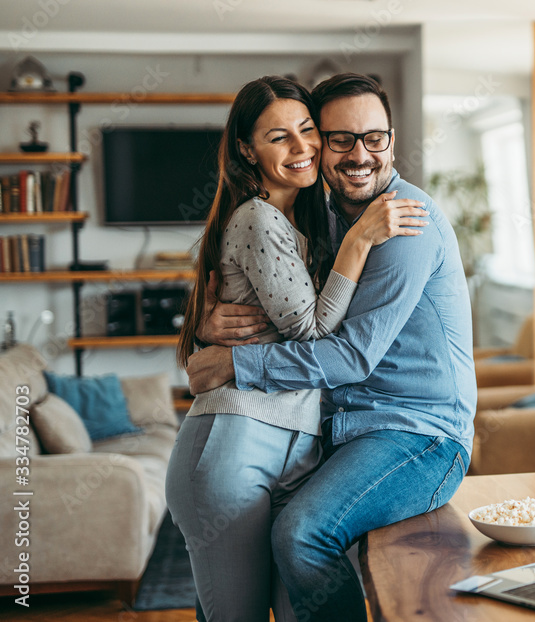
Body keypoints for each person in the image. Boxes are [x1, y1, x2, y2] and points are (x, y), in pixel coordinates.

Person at [186, 73, 476, 621]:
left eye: (375, 137)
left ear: (392, 138)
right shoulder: (322, 213)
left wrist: (232, 363)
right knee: (232, 572)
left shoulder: (403, 222)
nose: (360, 154)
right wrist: (205, 320)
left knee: (300, 534)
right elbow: (257, 270)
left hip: (417, 435)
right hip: (341, 431)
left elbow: (350, 357)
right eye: (340, 139)